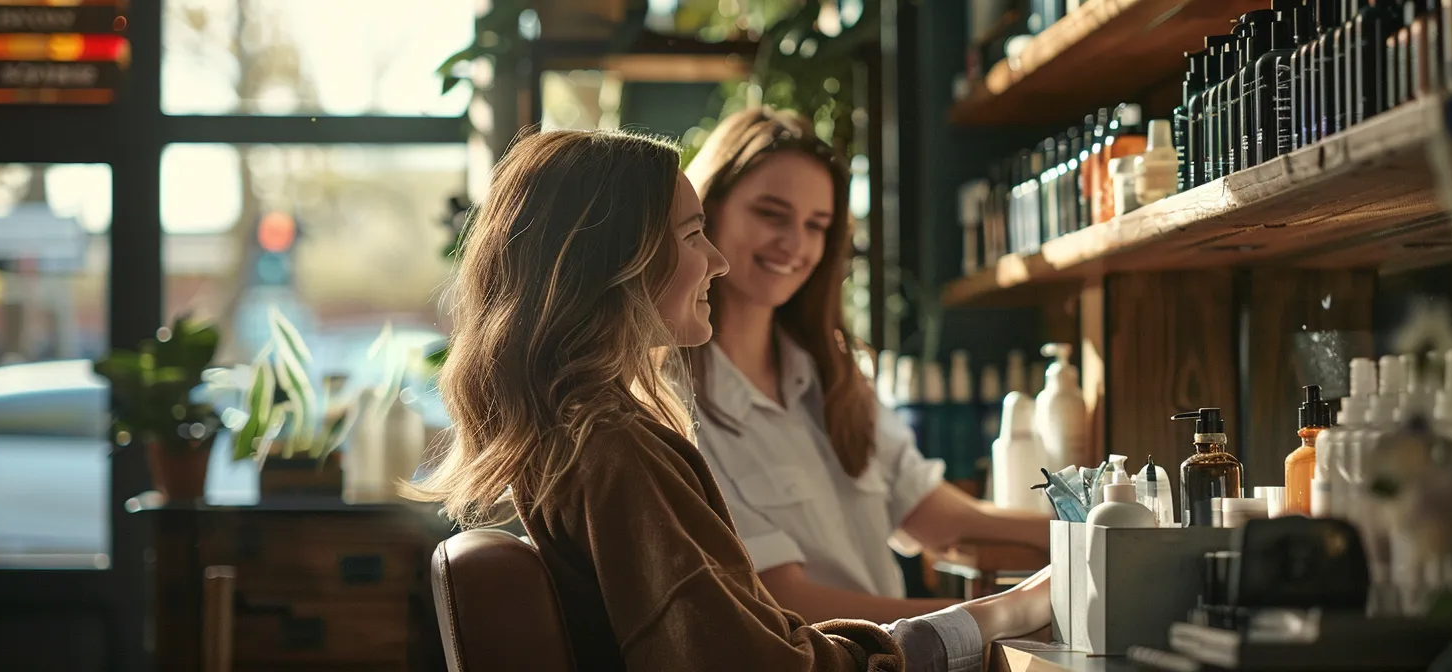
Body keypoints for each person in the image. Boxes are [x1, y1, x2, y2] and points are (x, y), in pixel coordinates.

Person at [407, 129, 1050, 671]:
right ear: (615, 261)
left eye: (818, 225)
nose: (716, 261)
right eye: (692, 236)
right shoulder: (617, 448)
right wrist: (996, 617)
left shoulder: (594, 437)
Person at [684, 108, 1053, 624]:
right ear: (707, 212)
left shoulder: (832, 377)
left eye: (817, 225)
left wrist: (1095, 531)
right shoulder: (676, 404)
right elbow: (784, 605)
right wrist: (1008, 612)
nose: (794, 244)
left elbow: (942, 519)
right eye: (771, 214)